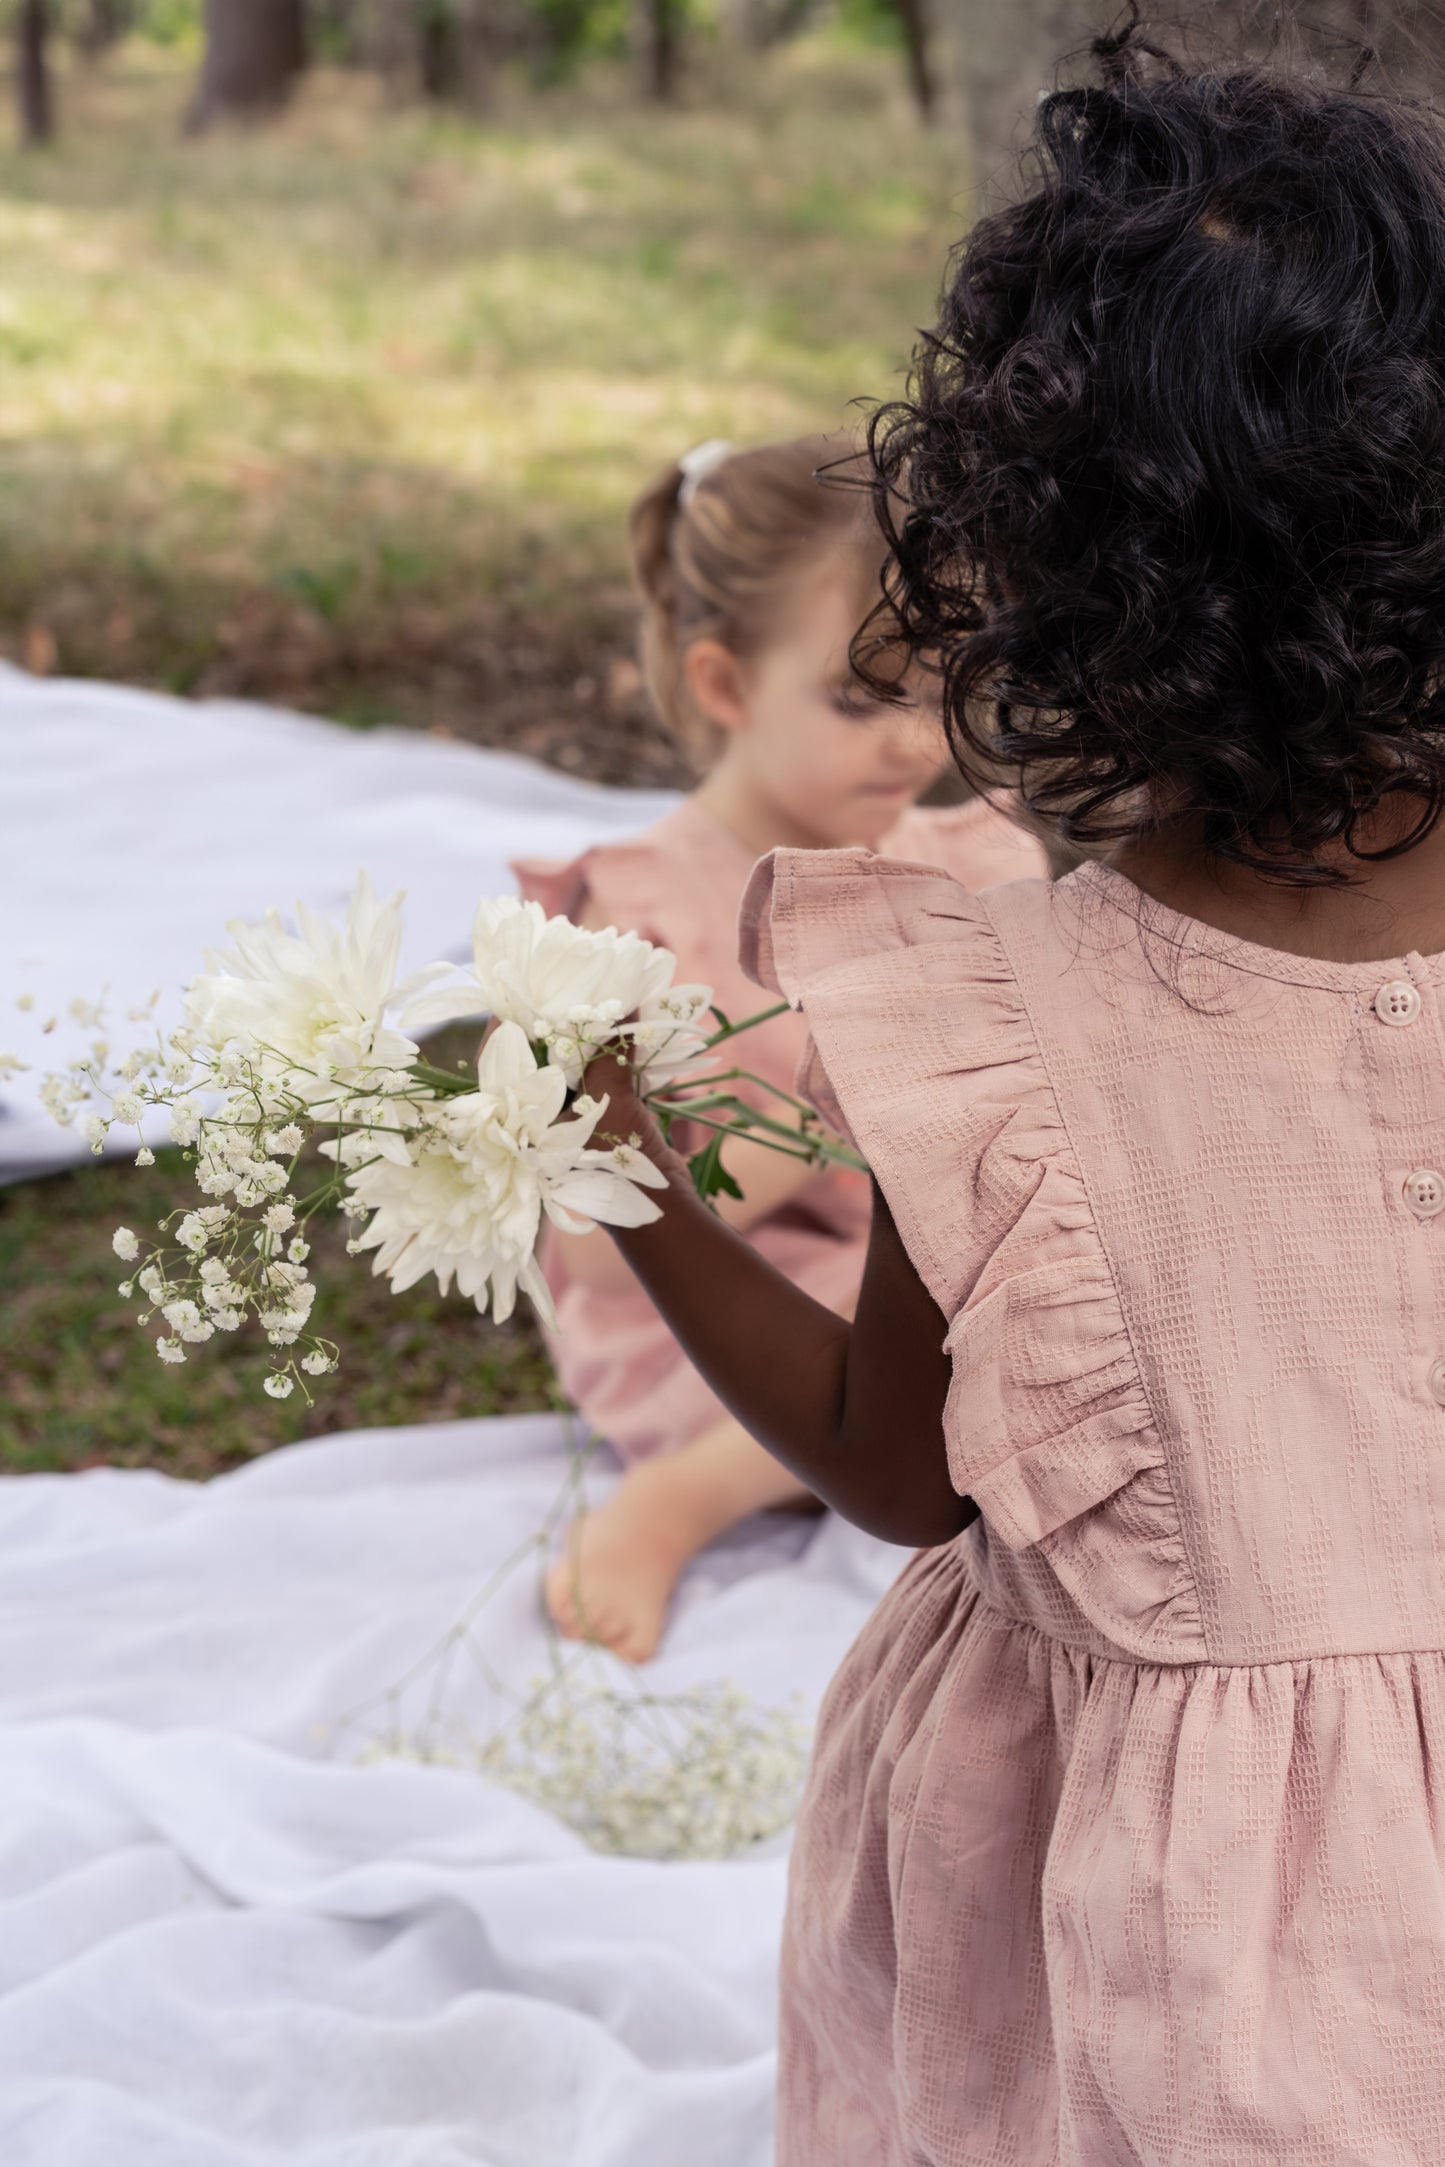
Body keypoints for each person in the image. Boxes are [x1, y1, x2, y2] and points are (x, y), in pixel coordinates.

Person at [576, 37, 1445, 2162]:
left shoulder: (1014, 1031)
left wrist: (630, 1186)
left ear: (1038, 590)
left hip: (1157, 1933)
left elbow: (895, 1468)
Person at [513, 434, 1046, 1661]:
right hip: (733, 1309)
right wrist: (813, 1136)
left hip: (928, 1274)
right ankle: (673, 1505)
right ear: (722, 685)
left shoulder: (970, 863)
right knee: (871, 1340)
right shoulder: (639, 924)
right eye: (862, 698)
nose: (917, 740)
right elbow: (591, 1258)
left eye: (944, 683)